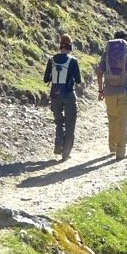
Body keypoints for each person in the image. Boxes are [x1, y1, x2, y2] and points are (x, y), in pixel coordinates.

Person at [96, 30, 127, 160]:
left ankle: (112, 148)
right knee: (123, 122)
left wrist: (101, 91)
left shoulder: (106, 55)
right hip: (125, 92)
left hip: (109, 92)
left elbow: (99, 73)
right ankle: (120, 153)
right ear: (126, 41)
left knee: (112, 119)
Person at [42, 34, 82, 162]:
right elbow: (79, 80)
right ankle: (66, 154)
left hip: (55, 95)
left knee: (59, 121)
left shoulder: (51, 59)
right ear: (70, 46)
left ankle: (58, 144)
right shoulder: (73, 61)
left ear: (60, 46)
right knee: (70, 123)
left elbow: (45, 79)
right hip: (69, 94)